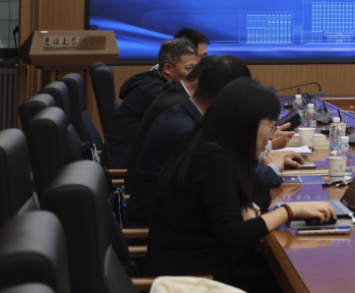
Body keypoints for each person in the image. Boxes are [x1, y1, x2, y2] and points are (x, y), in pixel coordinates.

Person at [145, 78, 334, 292]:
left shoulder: (213, 146)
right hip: (193, 281)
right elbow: (236, 236)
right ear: (248, 122)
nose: (270, 137)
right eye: (271, 125)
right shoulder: (212, 159)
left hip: (206, 267)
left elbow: (257, 189)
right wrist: (289, 211)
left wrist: (249, 208)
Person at [126, 55, 303, 227]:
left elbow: (223, 173)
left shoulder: (190, 114)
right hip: (157, 231)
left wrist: (262, 157)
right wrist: (270, 170)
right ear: (229, 97)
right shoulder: (184, 129)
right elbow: (223, 185)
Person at [104, 38, 200, 168]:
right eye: (189, 69)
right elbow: (187, 120)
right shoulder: (152, 92)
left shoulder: (159, 83)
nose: (197, 76)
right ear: (167, 68)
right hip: (125, 168)